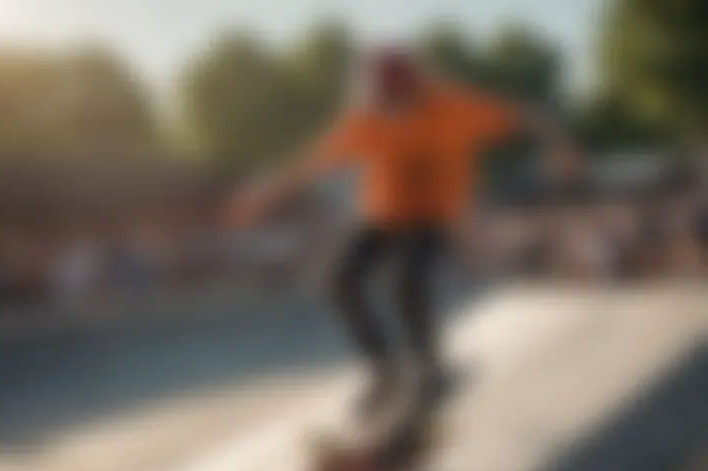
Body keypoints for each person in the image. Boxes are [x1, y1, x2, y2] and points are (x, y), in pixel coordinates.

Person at [227, 45, 581, 416]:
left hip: (433, 216)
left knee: (407, 281)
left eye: (397, 105)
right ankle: (385, 372)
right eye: (382, 106)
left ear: (416, 90)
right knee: (341, 282)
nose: (390, 114)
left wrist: (561, 146)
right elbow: (310, 163)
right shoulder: (363, 120)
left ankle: (431, 370)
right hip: (383, 217)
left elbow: (529, 116)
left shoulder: (455, 108)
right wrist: (262, 196)